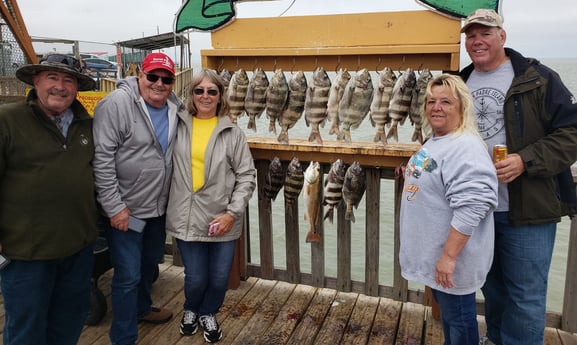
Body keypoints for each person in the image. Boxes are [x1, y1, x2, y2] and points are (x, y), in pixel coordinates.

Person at [459, 9, 577, 345]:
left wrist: (525, 160)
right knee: (492, 288)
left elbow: (572, 132)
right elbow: (442, 137)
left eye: (485, 33)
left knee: (525, 297)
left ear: (502, 37)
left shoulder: (539, 77)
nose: (477, 41)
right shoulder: (461, 81)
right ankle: (495, 339)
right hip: (477, 210)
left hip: (528, 211)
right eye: (471, 35)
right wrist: (419, 166)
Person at [0, 53, 98, 344]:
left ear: (77, 88)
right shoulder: (7, 120)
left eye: (68, 80)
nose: (60, 86)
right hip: (26, 251)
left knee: (69, 320)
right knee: (26, 328)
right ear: (36, 81)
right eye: (52, 78)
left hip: (78, 246)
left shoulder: (86, 124)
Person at [93, 52, 187, 345]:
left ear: (173, 83)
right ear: (139, 75)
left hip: (158, 207)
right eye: (153, 76)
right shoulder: (116, 104)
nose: (159, 84)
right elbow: (102, 158)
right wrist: (114, 207)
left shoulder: (175, 106)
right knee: (127, 276)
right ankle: (123, 337)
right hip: (126, 209)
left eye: (166, 79)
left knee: (150, 265)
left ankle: (142, 308)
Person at [400, 74, 498, 345]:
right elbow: (433, 170)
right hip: (436, 255)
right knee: (450, 318)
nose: (436, 107)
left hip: (451, 259)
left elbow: (474, 204)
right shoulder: (439, 141)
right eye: (431, 101)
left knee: (459, 319)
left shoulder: (465, 146)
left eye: (446, 101)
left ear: (462, 107)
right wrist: (411, 173)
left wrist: (449, 256)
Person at [166, 69, 256, 343]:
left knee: (218, 279)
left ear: (220, 97)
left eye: (212, 91)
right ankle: (190, 309)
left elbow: (247, 175)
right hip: (187, 215)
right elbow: (148, 97)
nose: (205, 96)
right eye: (199, 90)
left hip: (222, 218)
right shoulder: (176, 123)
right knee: (195, 278)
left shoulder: (232, 132)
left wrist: (232, 213)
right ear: (191, 95)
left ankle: (208, 311)